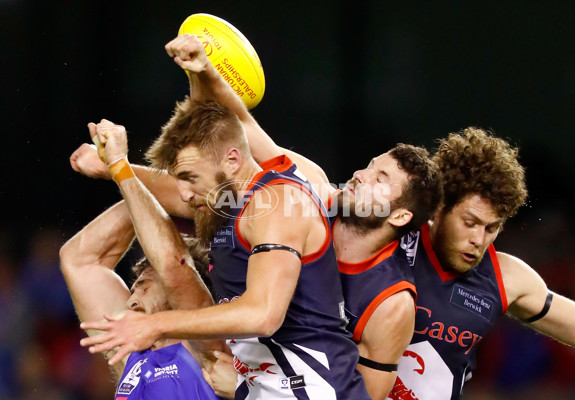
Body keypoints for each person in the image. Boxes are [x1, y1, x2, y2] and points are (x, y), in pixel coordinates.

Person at [69, 34, 442, 399]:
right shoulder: (300, 187)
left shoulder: (386, 297)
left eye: (381, 179)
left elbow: (264, 315)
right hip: (265, 380)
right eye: (369, 166)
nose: (362, 175)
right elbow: (233, 126)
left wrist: (151, 326)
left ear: (400, 215)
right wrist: (202, 72)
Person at [75, 98, 371, 399]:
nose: (184, 194)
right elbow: (167, 258)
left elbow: (263, 315)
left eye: (190, 178)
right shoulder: (223, 204)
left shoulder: (278, 203)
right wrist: (118, 167)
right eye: (179, 179)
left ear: (232, 161)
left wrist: (152, 325)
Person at [388, 127, 575, 400]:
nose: (478, 239)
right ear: (438, 206)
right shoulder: (388, 242)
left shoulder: (505, 277)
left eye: (492, 227)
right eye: (470, 222)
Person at [60, 119, 228, 399]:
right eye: (136, 285)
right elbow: (80, 260)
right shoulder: (131, 355)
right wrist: (132, 184)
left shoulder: (208, 350)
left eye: (146, 284)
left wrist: (118, 167)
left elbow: (174, 265)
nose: (132, 296)